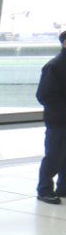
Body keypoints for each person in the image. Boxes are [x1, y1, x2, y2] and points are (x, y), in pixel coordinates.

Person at [36, 29, 66, 204]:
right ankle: (44, 190)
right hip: (58, 120)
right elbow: (44, 95)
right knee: (54, 155)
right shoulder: (54, 66)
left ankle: (63, 188)